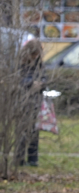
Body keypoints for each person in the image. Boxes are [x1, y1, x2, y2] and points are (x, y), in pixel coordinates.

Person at [16, 38, 45, 168]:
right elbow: (17, 80)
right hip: (22, 101)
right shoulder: (19, 64)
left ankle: (33, 159)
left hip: (35, 100)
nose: (35, 57)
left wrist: (41, 84)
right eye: (34, 54)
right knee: (22, 130)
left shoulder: (39, 64)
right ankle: (19, 158)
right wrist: (30, 84)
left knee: (34, 131)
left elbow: (45, 77)